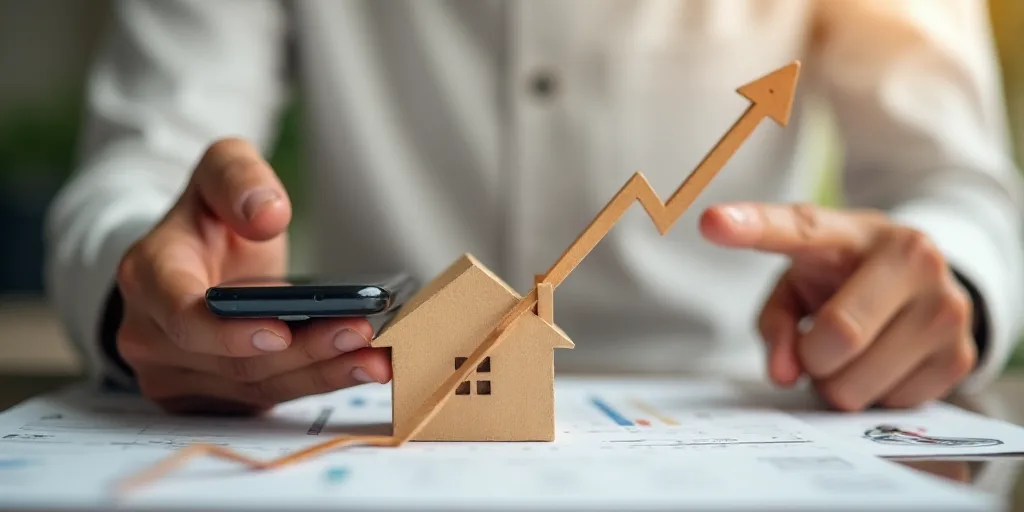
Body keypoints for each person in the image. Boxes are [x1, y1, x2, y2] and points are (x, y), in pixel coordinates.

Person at [45, 0, 1023, 416]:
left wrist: (951, 285)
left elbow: (957, 183)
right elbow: (146, 163)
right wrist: (148, 283)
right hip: (356, 402)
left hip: (744, 403)